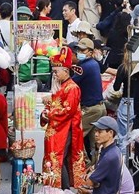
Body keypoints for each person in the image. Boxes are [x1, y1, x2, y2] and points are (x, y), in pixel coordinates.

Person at [40, 47, 87, 190]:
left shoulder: (72, 88)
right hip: (59, 128)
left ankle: (62, 188)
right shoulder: (62, 87)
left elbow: (68, 110)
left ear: (66, 71)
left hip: (66, 129)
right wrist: (45, 112)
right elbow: (56, 103)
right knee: (58, 159)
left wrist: (50, 113)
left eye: (56, 72)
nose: (55, 75)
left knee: (59, 159)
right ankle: (60, 188)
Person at [70, 38, 105, 160]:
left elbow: (71, 84)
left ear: (90, 52)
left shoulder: (85, 66)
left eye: (83, 50)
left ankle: (82, 163)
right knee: (95, 141)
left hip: (91, 109)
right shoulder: (93, 64)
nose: (80, 52)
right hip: (99, 107)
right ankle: (94, 165)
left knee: (75, 134)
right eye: (78, 49)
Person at [79, 117, 121, 194]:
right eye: (95, 131)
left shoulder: (109, 157)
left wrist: (86, 179)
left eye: (100, 132)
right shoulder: (113, 150)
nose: (96, 134)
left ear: (110, 133)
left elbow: (89, 183)